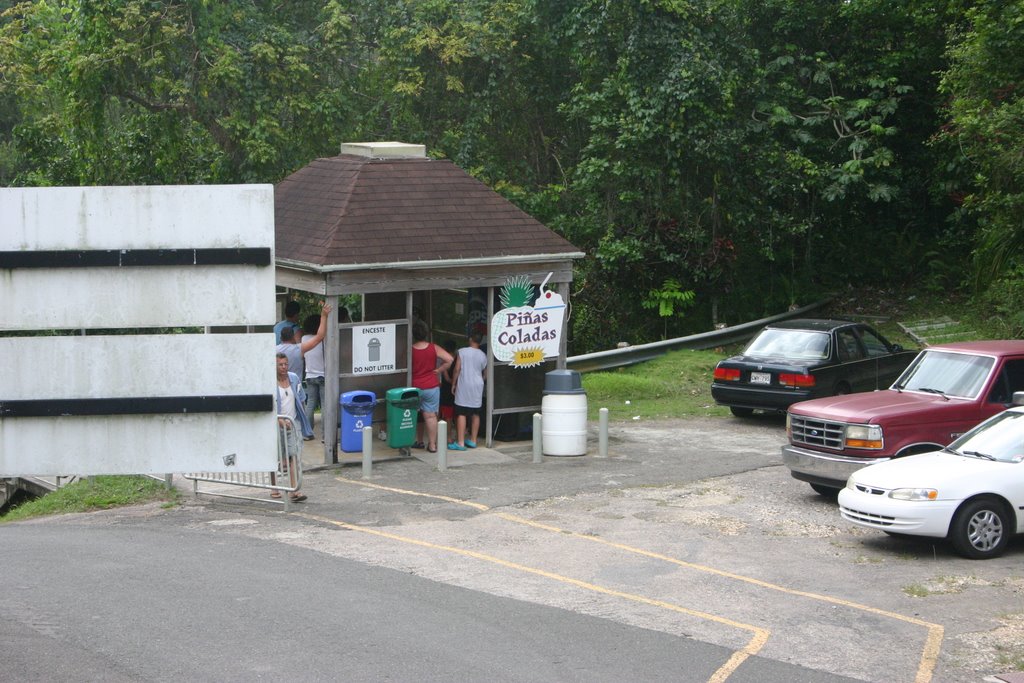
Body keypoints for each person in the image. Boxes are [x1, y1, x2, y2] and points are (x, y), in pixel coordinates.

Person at [410, 320, 454, 453]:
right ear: (427, 333)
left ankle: (419, 441)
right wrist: (439, 370)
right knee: (430, 416)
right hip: (431, 386)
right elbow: (450, 359)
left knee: (416, 416)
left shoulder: (410, 349)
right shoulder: (433, 348)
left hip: (414, 386)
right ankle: (433, 445)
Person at [272, 352, 309, 502]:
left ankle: (294, 490)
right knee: (274, 457)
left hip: (293, 422)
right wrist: (279, 421)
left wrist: (302, 417)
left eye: (285, 364)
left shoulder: (293, 378)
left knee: (295, 455)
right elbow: (270, 405)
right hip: (276, 423)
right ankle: (274, 488)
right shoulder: (270, 381)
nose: (283, 367)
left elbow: (301, 398)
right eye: (280, 364)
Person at [448, 332, 487, 451]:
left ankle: (460, 443)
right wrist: (481, 380)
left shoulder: (462, 351)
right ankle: (473, 440)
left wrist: (453, 383)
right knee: (476, 412)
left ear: (470, 339)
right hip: (478, 384)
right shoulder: (483, 355)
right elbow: (486, 373)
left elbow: (456, 369)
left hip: (465, 383)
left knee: (461, 412)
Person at [439, 339, 458, 425]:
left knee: (448, 416)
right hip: (457, 390)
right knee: (457, 414)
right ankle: (459, 436)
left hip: (446, 390)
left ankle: (449, 437)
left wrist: (452, 382)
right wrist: (456, 383)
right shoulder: (458, 359)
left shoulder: (444, 361)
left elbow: (446, 378)